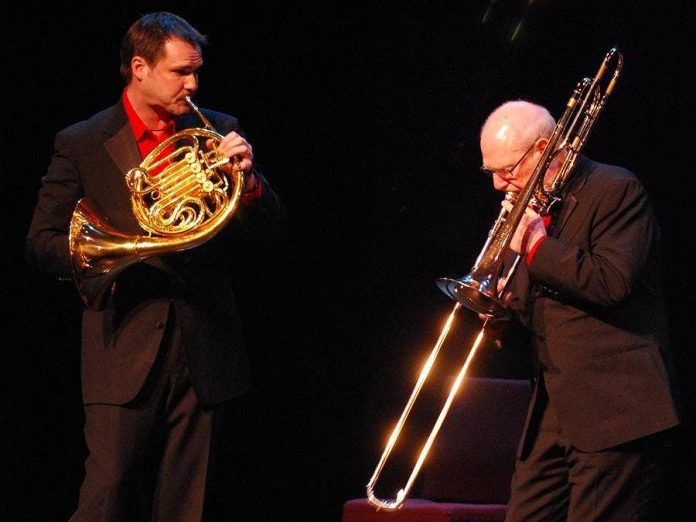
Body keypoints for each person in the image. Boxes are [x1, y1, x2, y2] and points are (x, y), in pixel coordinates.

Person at [25, 11, 285, 521]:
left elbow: (275, 233)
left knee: (190, 506)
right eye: (180, 72)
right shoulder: (81, 141)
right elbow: (41, 242)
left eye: (196, 73)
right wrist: (113, 250)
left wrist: (250, 184)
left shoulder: (219, 131)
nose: (193, 85)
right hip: (122, 345)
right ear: (139, 68)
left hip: (205, 349)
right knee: (106, 497)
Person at [476, 100, 681, 520]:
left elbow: (611, 282)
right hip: (554, 410)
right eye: (490, 173)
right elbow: (546, 309)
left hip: (615, 409)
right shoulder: (531, 210)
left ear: (546, 149)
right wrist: (503, 311)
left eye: (507, 170)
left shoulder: (615, 190)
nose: (499, 184)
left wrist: (536, 246)